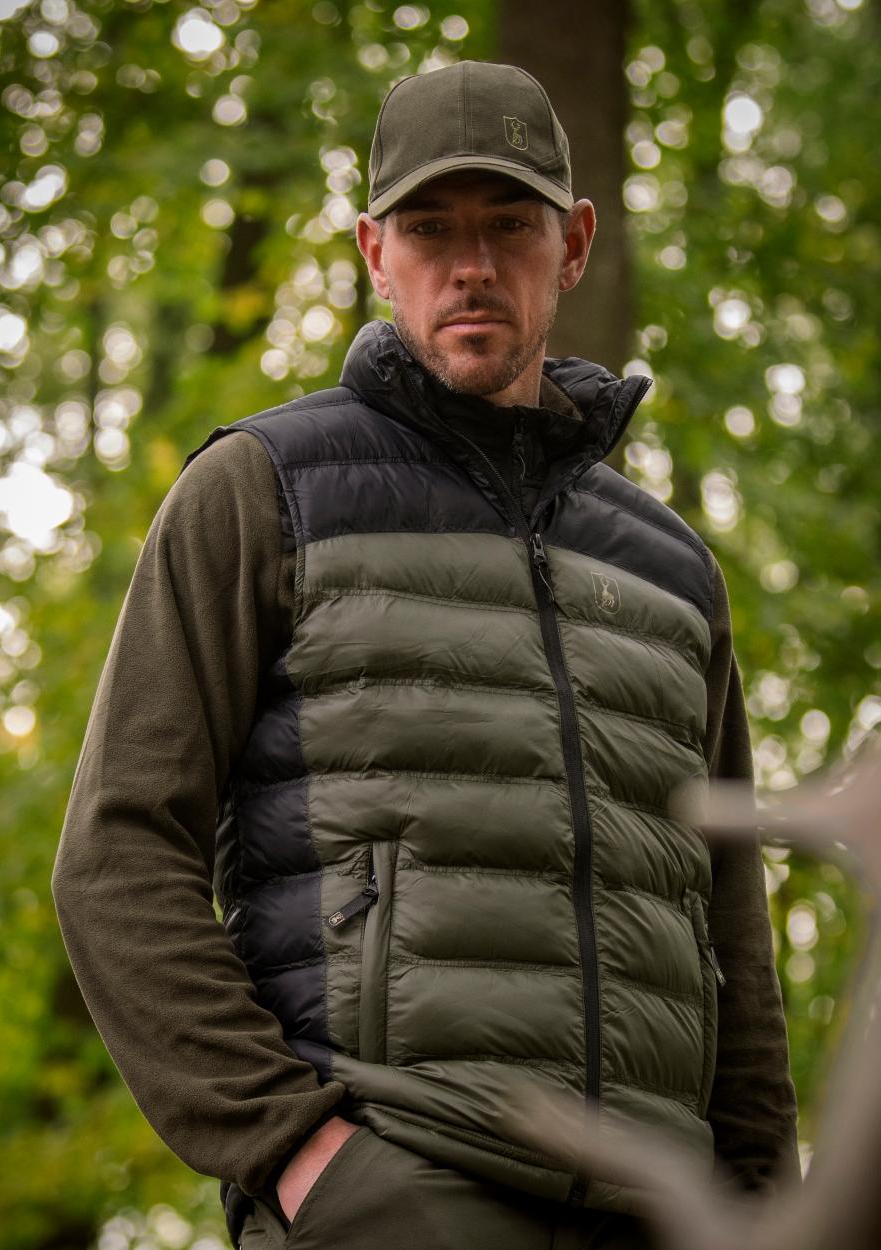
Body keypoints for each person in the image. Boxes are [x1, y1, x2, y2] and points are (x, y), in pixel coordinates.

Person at [51, 60, 799, 1250]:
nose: (471, 263)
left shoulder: (671, 570)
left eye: (510, 223)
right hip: (396, 1193)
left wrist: (763, 1202)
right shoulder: (261, 491)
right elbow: (116, 853)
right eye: (428, 227)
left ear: (575, 243)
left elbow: (728, 938)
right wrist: (304, 1158)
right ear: (370, 250)